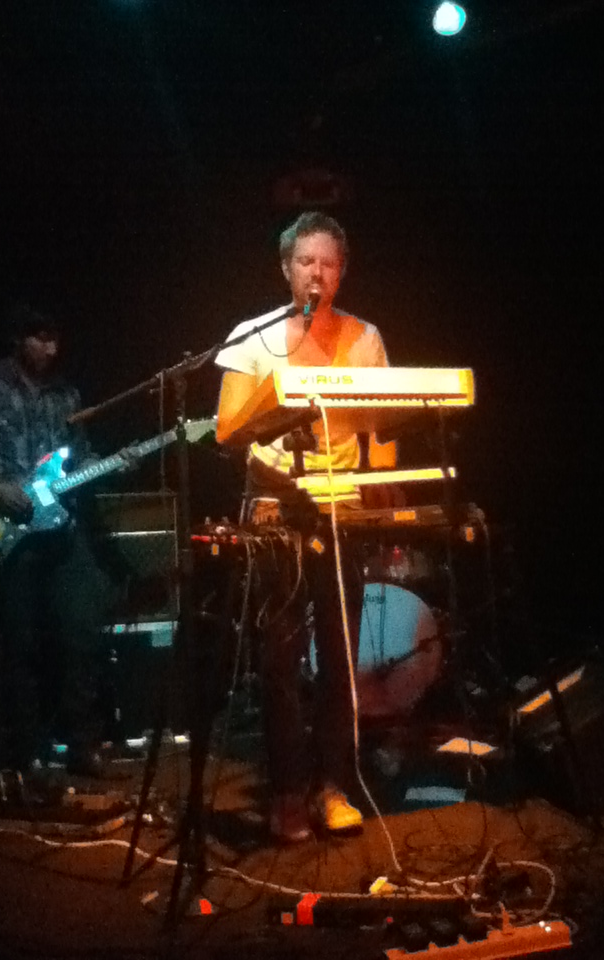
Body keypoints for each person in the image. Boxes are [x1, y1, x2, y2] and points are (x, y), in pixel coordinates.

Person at [215, 211, 401, 842]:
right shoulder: (251, 338)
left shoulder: (366, 338)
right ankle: (288, 791)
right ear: (286, 269)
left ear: (341, 272)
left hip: (341, 505)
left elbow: (382, 428)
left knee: (341, 657)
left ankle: (333, 786)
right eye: (305, 261)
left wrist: (384, 493)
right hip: (277, 507)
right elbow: (227, 430)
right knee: (280, 656)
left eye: (328, 263)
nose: (316, 273)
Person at [0, 303, 112, 792]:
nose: (51, 349)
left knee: (84, 630)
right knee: (20, 643)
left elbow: (79, 455)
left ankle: (83, 745)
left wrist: (106, 464)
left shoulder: (67, 395)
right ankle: (25, 754)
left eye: (56, 339)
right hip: (7, 528)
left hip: (61, 525)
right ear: (19, 338)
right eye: (41, 339)